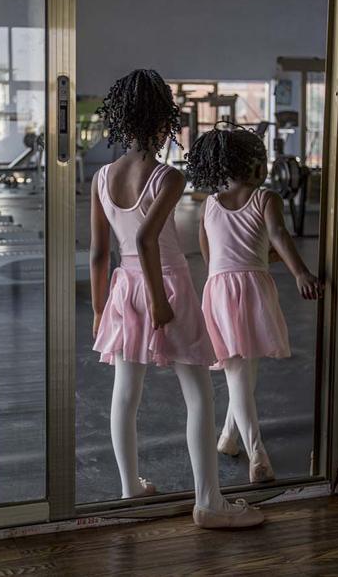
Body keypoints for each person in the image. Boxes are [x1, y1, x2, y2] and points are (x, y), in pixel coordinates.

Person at [91, 70, 264, 529]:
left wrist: (96, 309)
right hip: (164, 283)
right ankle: (210, 503)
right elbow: (148, 239)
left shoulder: (102, 177)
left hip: (124, 286)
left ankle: (129, 489)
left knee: (125, 393)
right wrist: (161, 301)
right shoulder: (166, 177)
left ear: (121, 122)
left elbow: (98, 253)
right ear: (165, 122)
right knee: (199, 394)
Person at [187, 123, 322, 483]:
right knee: (242, 373)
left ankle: (229, 438)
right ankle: (257, 454)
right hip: (253, 290)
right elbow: (278, 237)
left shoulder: (210, 206)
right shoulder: (266, 198)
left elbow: (213, 255)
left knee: (241, 372)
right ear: (253, 164)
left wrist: (250, 264)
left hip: (218, 291)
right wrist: (300, 272)